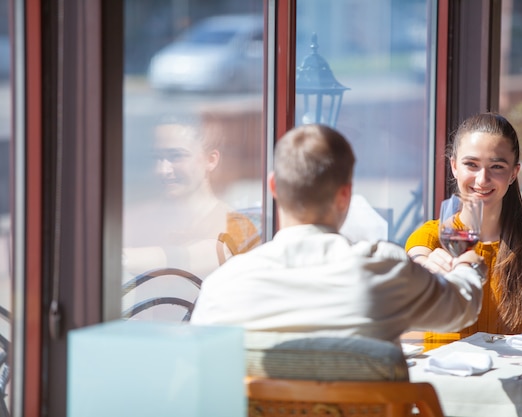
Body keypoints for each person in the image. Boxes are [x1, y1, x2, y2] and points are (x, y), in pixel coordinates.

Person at [191, 123, 486, 343]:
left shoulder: (222, 286)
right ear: (345, 195)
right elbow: (461, 308)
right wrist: (468, 264)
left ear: (274, 187)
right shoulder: (383, 269)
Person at [405, 112, 522, 417]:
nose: (482, 180)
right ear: (453, 165)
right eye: (471, 164)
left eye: (497, 167)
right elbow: (417, 255)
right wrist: (426, 264)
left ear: (514, 173)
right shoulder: (432, 235)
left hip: (514, 397)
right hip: (445, 398)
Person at [123, 114, 261, 319]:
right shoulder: (135, 218)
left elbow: (187, 258)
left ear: (211, 160)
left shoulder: (238, 227)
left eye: (176, 156)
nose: (163, 169)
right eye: (157, 158)